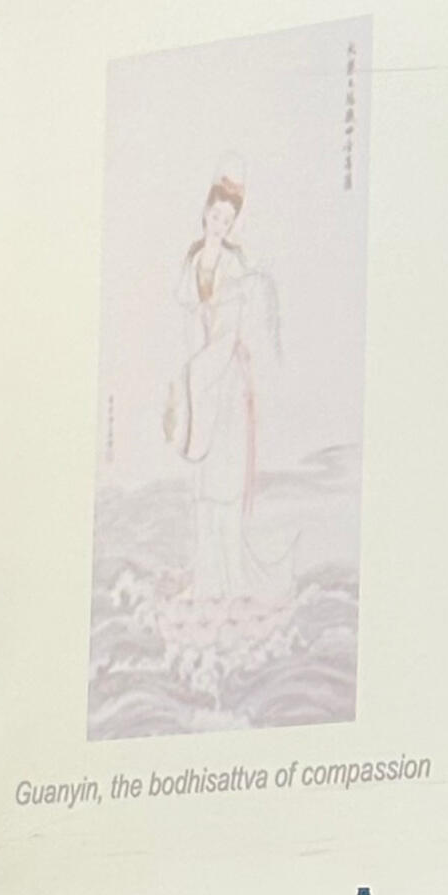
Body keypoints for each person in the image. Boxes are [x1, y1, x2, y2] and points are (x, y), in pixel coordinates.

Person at [163, 165, 286, 603]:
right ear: (205, 213)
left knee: (225, 489)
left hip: (225, 387)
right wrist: (190, 380)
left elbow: (228, 334)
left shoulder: (235, 268)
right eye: (216, 216)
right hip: (201, 386)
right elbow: (191, 323)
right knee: (202, 494)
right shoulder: (194, 262)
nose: (220, 224)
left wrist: (198, 375)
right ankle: (205, 580)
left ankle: (231, 583)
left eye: (227, 221)